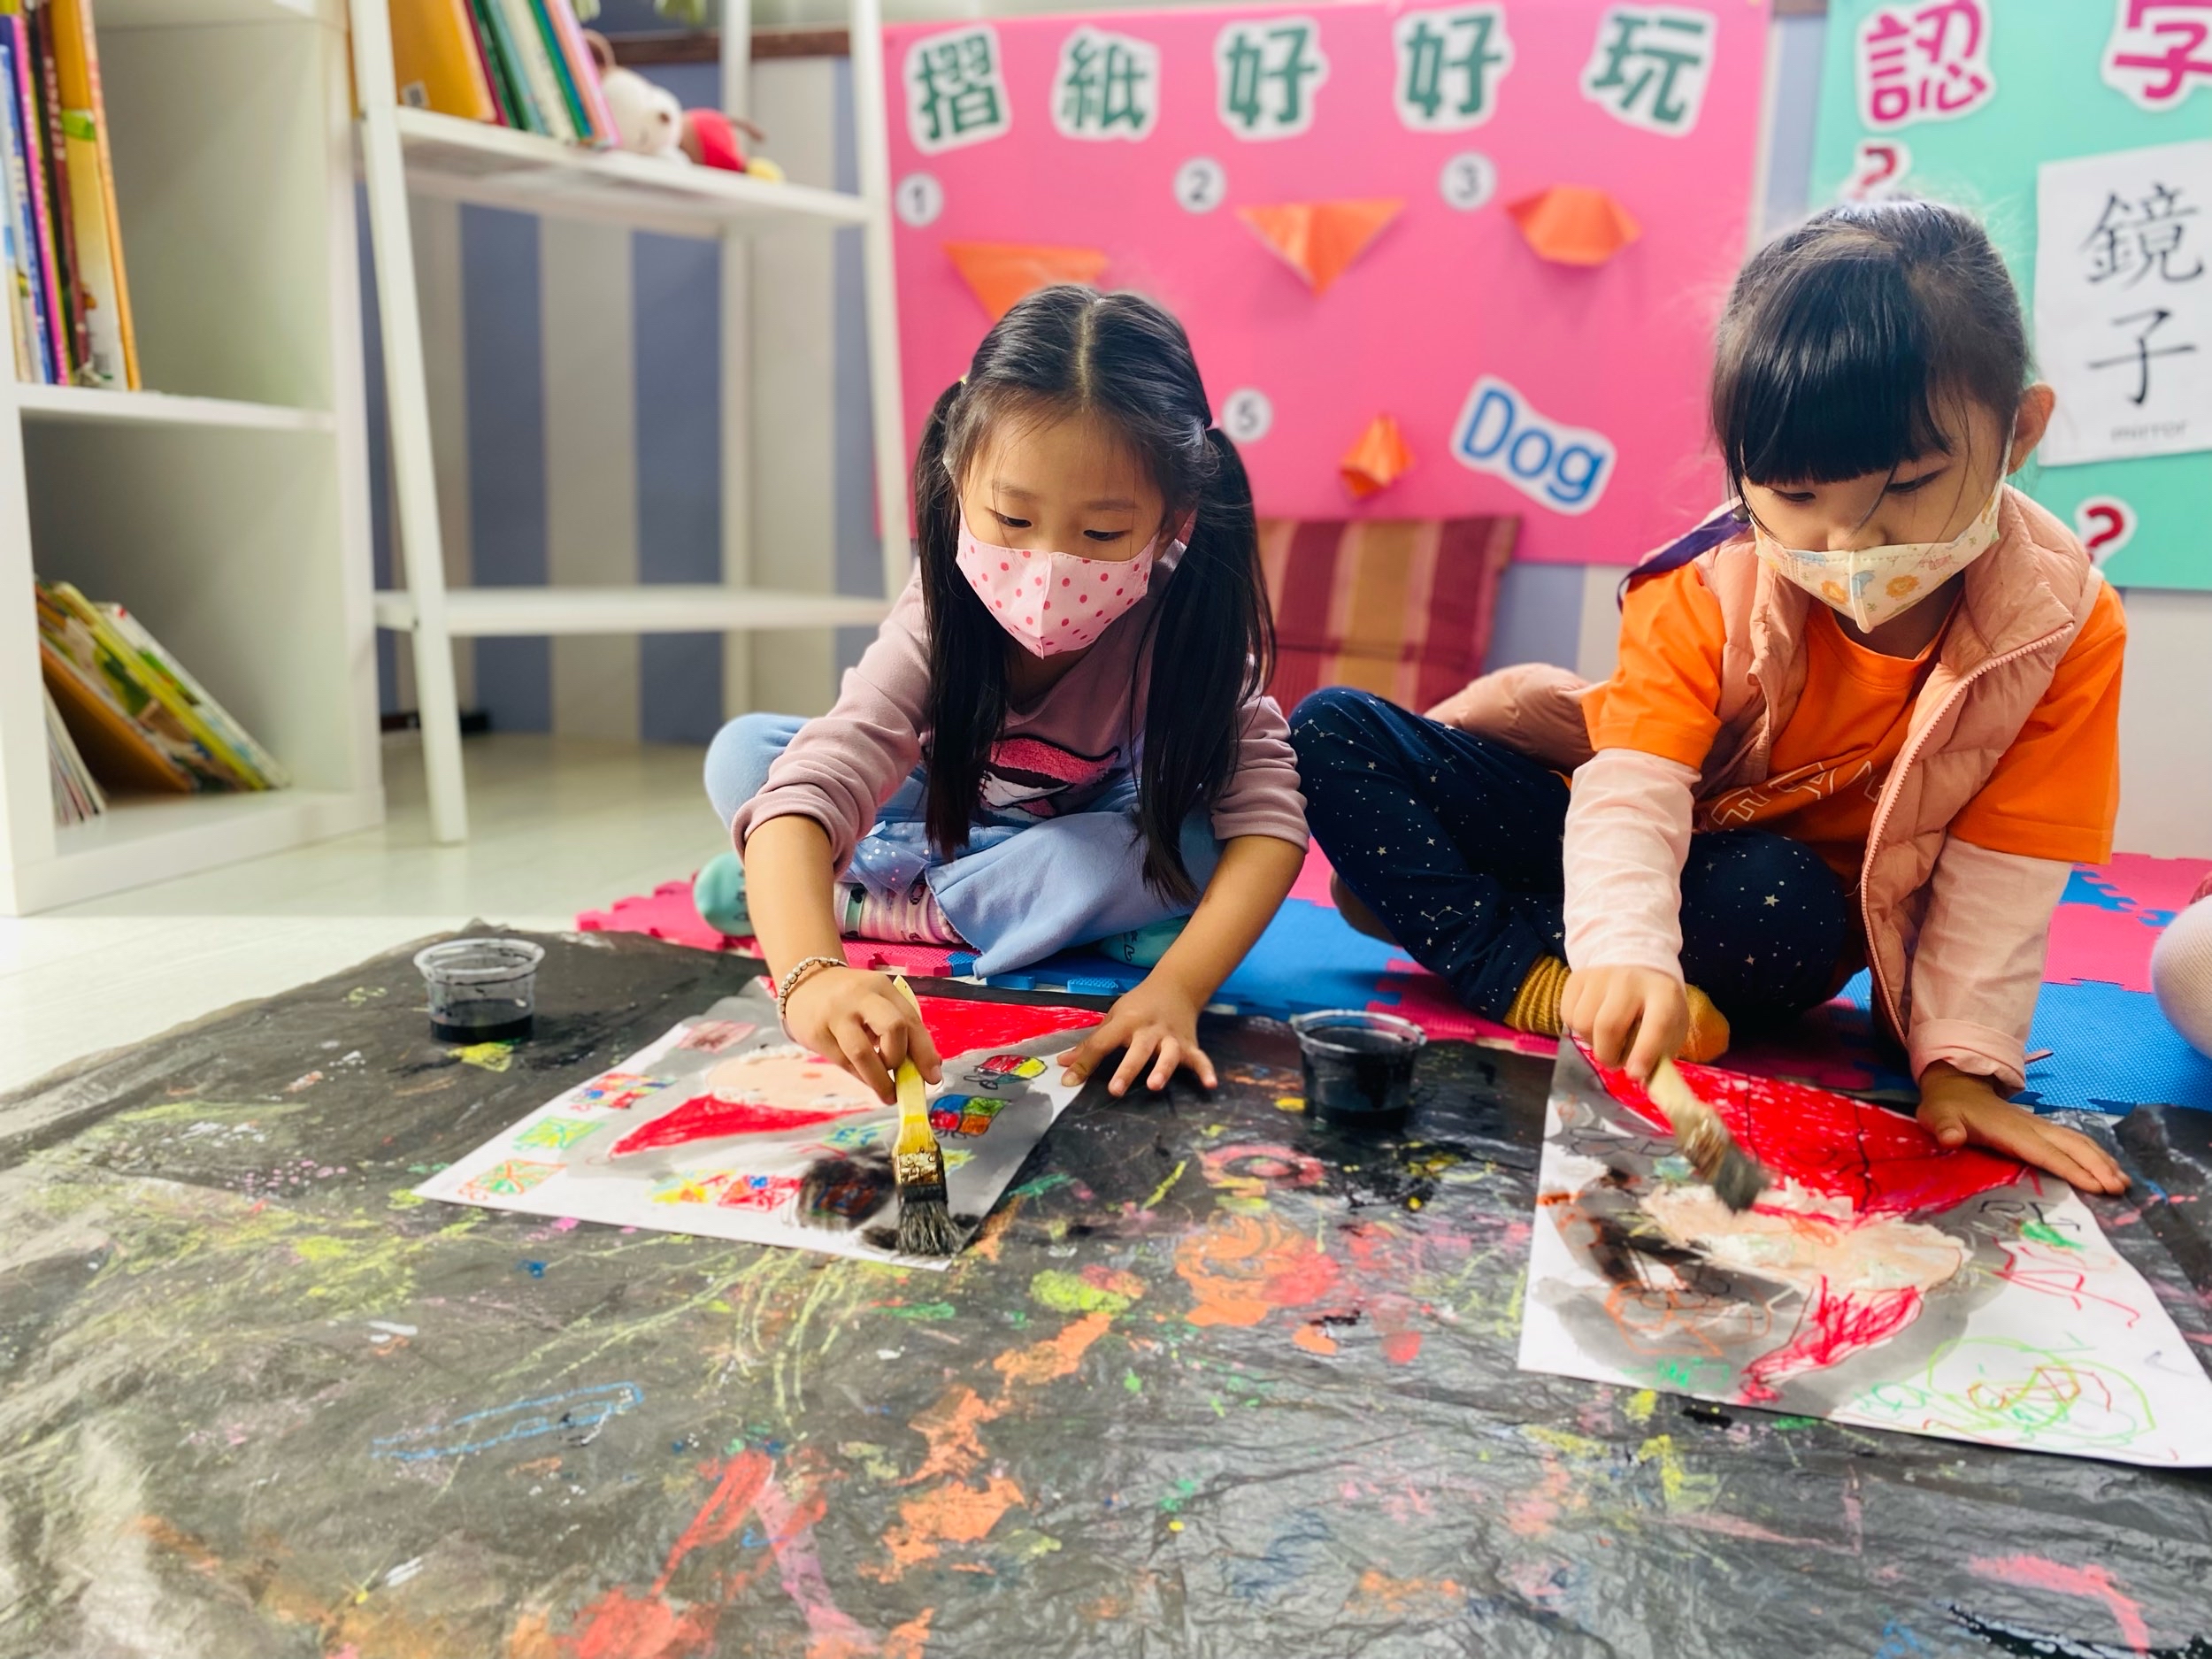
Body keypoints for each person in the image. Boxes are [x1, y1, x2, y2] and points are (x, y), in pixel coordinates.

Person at [1293, 199, 2128, 1194]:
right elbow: (1631, 788)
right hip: (1619, 842)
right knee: (1328, 730)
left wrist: (1961, 1070)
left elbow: (2004, 869)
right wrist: (1623, 952)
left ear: (2018, 431)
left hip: (1761, 911)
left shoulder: (2062, 626)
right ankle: (1535, 976)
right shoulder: (1704, 575)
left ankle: (1472, 920)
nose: (1847, 543)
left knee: (1777, 897)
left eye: (1907, 484)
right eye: (1797, 497)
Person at [708, 286, 1308, 1103]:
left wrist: (1177, 987)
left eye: (1102, 534)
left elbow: (1269, 819)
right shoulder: (943, 603)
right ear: (958, 478)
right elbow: (830, 766)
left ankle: (875, 897)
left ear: (1175, 521)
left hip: (1077, 827)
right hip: (941, 803)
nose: (1049, 566)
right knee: (746, 755)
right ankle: (934, 899)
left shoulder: (1187, 618)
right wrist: (811, 974)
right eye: (1012, 520)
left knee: (1199, 844)